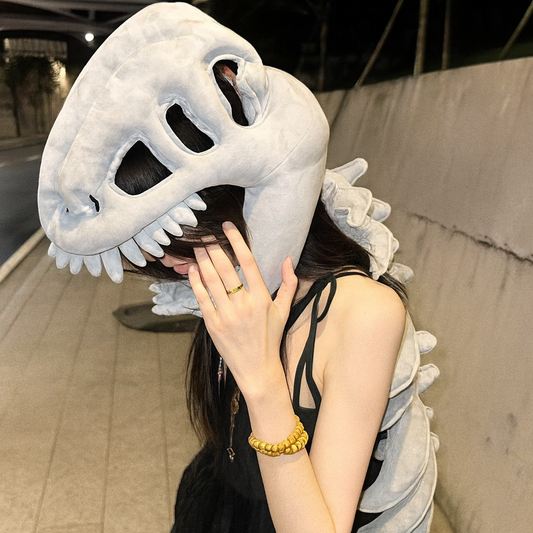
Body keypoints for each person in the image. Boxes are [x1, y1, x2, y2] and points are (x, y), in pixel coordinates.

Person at [38, 4, 438, 533]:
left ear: (243, 198)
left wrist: (261, 376)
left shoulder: (365, 314)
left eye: (178, 240)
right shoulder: (239, 284)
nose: (171, 266)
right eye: (155, 254)